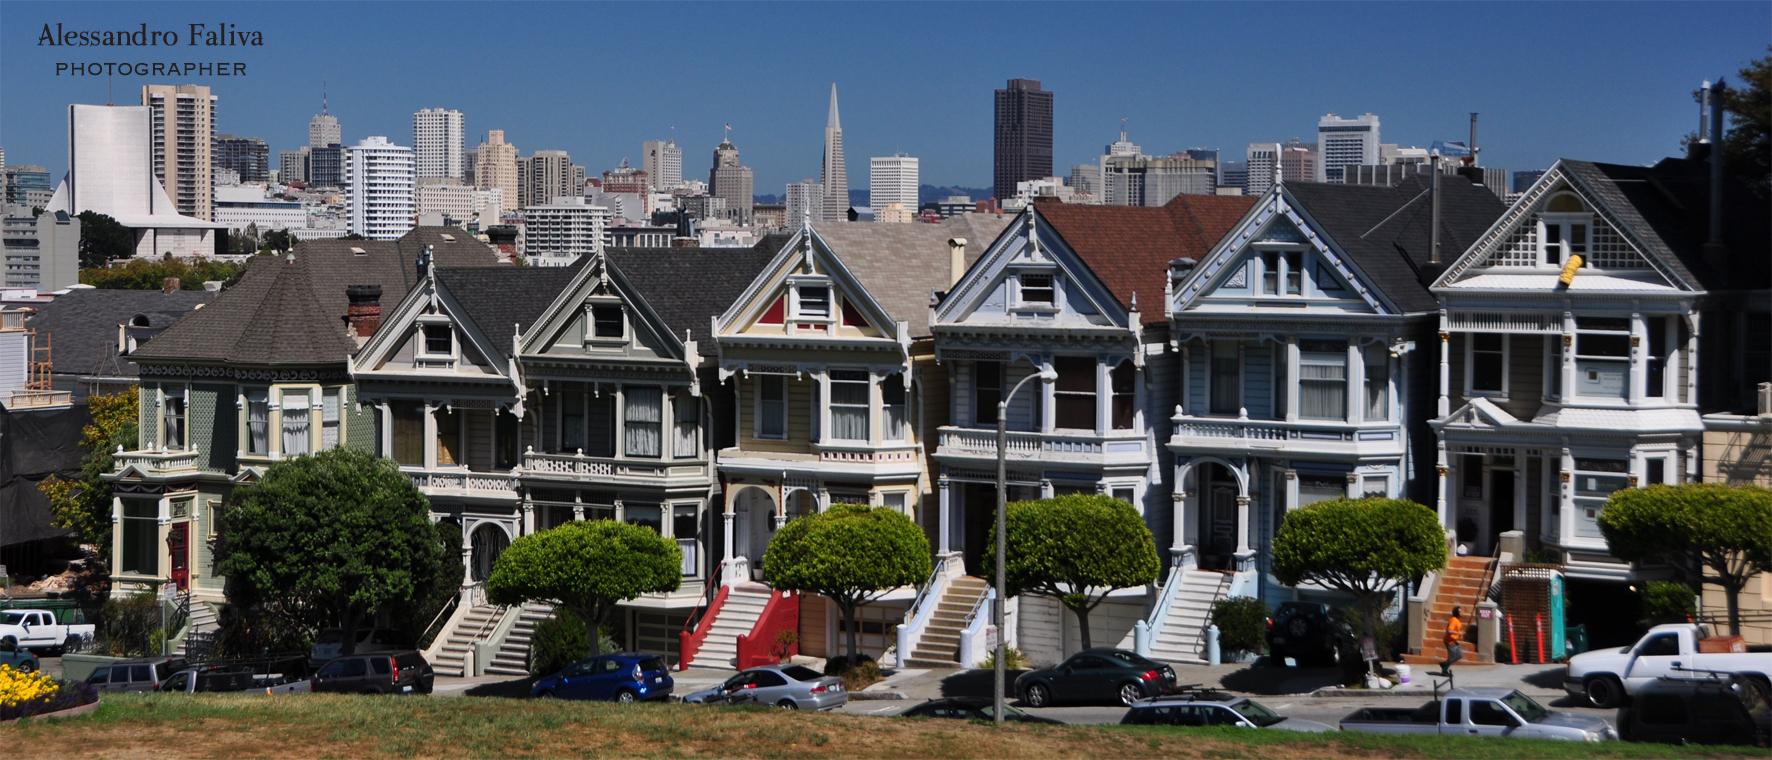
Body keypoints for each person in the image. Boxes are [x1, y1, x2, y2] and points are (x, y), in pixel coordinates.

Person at [1440, 606, 1465, 675]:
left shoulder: (1458, 621)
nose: (1462, 612)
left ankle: (1444, 664)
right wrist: (1458, 633)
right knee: (1452, 657)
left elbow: (1457, 631)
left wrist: (1460, 635)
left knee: (1459, 655)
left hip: (1454, 642)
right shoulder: (1454, 620)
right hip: (1450, 642)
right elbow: (1449, 630)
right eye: (1460, 611)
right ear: (1457, 613)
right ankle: (1444, 671)